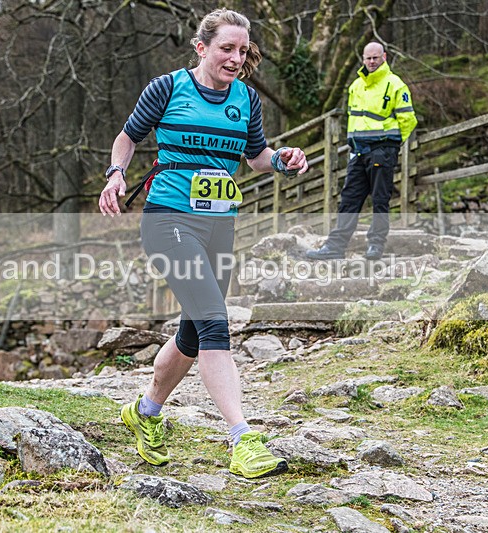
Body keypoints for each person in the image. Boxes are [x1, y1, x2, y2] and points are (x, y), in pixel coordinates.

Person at [98, 8, 308, 479]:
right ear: (201, 47)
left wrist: (285, 161)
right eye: (226, 49)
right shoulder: (168, 88)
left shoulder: (247, 99)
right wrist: (116, 175)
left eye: (242, 50)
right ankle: (242, 438)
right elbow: (127, 137)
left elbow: (256, 156)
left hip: (220, 226)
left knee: (195, 332)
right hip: (169, 221)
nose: (235, 58)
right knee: (215, 322)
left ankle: (145, 412)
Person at [307, 42, 417, 261]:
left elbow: (408, 120)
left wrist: (391, 146)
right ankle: (335, 247)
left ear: (384, 57)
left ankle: (376, 245)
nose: (372, 62)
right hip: (358, 151)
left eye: (376, 58)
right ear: (363, 59)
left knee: (379, 199)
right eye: (368, 58)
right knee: (349, 198)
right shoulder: (356, 86)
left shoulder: (395, 84)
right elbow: (354, 118)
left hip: (382, 151)